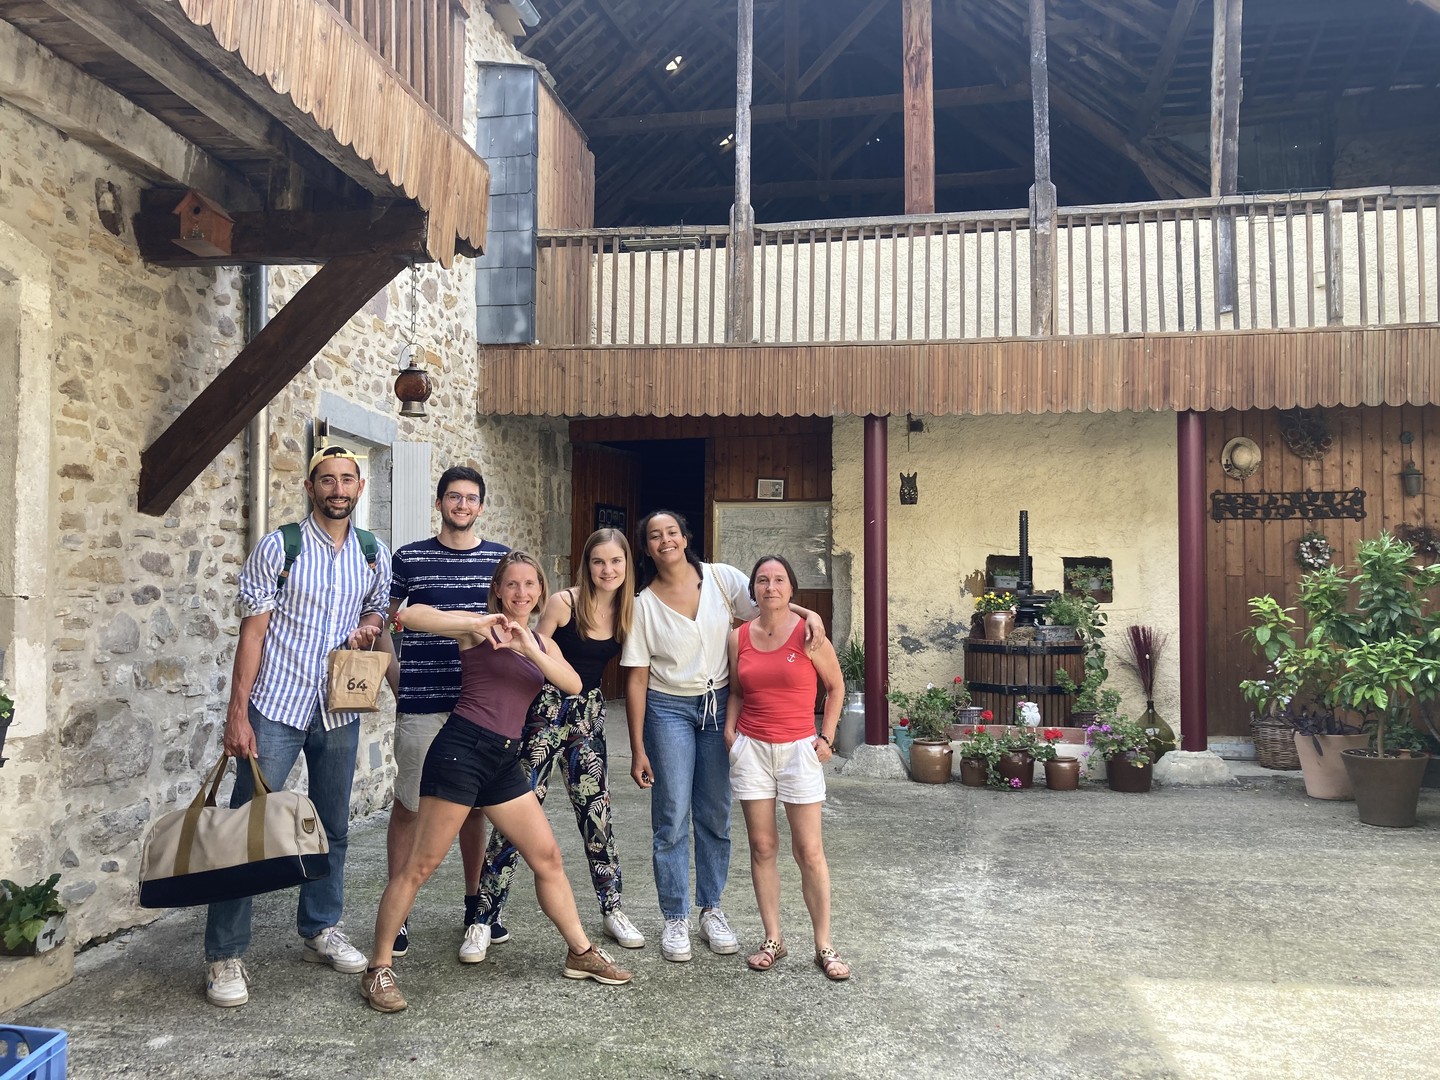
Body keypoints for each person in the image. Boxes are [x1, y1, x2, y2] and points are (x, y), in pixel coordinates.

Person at [362, 552, 633, 1013]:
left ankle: (580, 951)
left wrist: (529, 646)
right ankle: (378, 968)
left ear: (541, 592)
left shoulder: (542, 644)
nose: (521, 593)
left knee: (547, 857)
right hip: (461, 752)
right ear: (499, 590)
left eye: (530, 585)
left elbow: (571, 685)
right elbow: (408, 614)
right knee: (420, 865)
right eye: (512, 585)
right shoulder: (478, 628)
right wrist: (481, 620)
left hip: (504, 761)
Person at [204, 445, 392, 1008]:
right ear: (310, 488)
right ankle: (224, 955)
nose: (338, 489)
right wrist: (238, 714)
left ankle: (320, 927)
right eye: (327, 480)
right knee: (246, 828)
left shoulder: (371, 551)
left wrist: (368, 625)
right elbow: (253, 635)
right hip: (276, 706)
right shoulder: (279, 547)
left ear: (360, 488)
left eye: (347, 480)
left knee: (331, 824)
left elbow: (379, 608)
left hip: (337, 710)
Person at [621, 510, 824, 963]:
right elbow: (635, 680)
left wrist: (809, 612)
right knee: (672, 814)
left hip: (717, 706)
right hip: (667, 708)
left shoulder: (720, 579)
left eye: (672, 532)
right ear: (647, 547)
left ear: (685, 536)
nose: (665, 540)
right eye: (654, 536)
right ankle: (674, 917)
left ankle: (711, 909)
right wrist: (637, 747)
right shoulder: (642, 604)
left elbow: (772, 606)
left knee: (715, 813)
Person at [473, 529, 645, 951]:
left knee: (597, 816)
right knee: (517, 818)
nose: (608, 570)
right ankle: (483, 918)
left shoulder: (630, 611)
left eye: (616, 562)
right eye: (599, 562)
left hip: (587, 718)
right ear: (586, 565)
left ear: (627, 566)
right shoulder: (564, 604)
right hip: (544, 714)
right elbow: (528, 652)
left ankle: (612, 909)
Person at [382, 466, 508, 964]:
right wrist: (397, 679)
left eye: (471, 498)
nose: (462, 505)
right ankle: (400, 908)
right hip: (423, 701)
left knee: (474, 809)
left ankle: (475, 903)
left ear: (481, 506)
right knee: (410, 805)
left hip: (479, 706)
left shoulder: (499, 560)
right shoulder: (409, 558)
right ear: (439, 503)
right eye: (454, 497)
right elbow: (384, 620)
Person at [724, 555, 850, 981]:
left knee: (809, 851)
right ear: (753, 590)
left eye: (779, 580)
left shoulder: (809, 633)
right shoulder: (739, 636)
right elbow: (737, 691)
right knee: (762, 847)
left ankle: (824, 945)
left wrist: (827, 737)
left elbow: (836, 688)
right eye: (762, 580)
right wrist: (730, 732)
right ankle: (773, 939)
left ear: (791, 589)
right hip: (752, 750)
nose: (770, 587)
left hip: (800, 749)